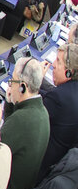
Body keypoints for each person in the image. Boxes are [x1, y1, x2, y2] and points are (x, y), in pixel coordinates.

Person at [0, 57, 49, 189]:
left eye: (12, 80)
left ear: (22, 87)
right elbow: (12, 127)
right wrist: (9, 102)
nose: (10, 85)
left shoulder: (22, 120)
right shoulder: (41, 112)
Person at [38, 43, 78, 178]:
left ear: (69, 72)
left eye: (58, 61)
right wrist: (39, 84)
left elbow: (31, 114)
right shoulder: (70, 91)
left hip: (41, 164)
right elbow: (52, 95)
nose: (53, 65)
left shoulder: (59, 97)